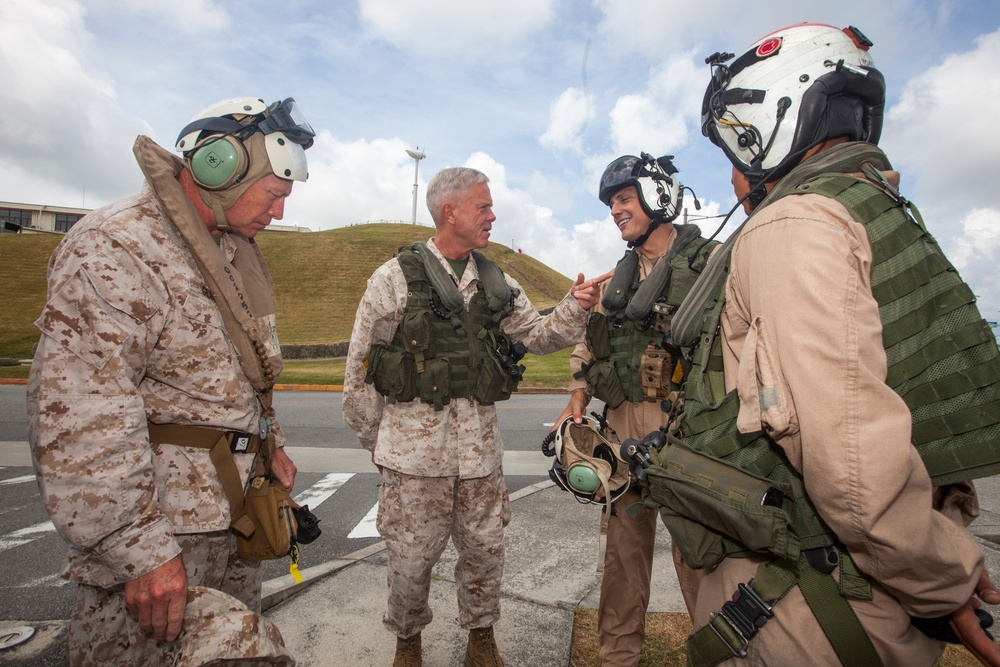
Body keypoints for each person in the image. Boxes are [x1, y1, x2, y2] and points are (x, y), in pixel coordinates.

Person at [648, 23, 1000, 666]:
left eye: (735, 151)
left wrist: (941, 578)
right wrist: (941, 556)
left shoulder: (796, 221)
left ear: (771, 123)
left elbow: (852, 468)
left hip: (811, 599)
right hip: (856, 586)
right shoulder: (875, 211)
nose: (732, 177)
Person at [26, 96, 315, 665]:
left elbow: (238, 373)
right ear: (220, 167)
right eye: (275, 195)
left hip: (230, 520)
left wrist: (269, 442)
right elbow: (81, 414)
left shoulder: (230, 251)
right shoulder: (117, 245)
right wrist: (136, 551)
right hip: (163, 541)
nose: (279, 213)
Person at [342, 166, 606, 667]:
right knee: (410, 560)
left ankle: (481, 639)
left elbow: (539, 335)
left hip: (480, 457)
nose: (492, 216)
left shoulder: (495, 281)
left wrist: (576, 305)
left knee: (485, 553)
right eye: (482, 207)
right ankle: (407, 643)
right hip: (414, 460)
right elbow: (359, 370)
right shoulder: (393, 279)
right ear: (450, 212)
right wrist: (375, 445)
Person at [549, 153, 717, 667]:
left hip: (689, 433)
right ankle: (618, 656)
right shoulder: (612, 285)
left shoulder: (711, 264)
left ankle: (724, 652)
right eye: (612, 204)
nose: (616, 211)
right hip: (623, 434)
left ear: (656, 196)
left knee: (703, 556)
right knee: (624, 557)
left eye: (624, 199)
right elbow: (588, 349)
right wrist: (577, 397)